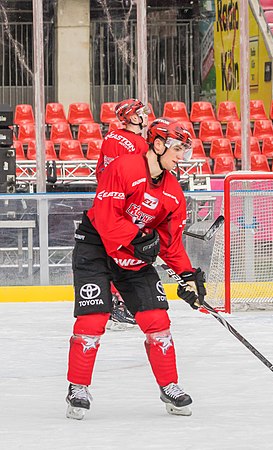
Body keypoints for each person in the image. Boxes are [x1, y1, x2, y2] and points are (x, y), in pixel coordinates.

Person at [66, 118, 205, 420]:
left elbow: (170, 244)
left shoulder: (173, 193)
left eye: (184, 150)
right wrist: (139, 238)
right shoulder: (124, 168)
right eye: (178, 148)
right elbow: (105, 218)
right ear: (157, 144)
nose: (182, 156)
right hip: (96, 248)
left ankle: (169, 385)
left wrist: (188, 276)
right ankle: (78, 387)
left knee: (157, 320)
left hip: (133, 256)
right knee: (93, 320)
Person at [96, 98, 152, 330]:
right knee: (122, 254)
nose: (147, 116)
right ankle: (117, 304)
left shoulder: (112, 137)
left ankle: (117, 303)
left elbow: (103, 172)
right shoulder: (138, 144)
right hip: (122, 206)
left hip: (112, 203)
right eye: (142, 112)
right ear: (131, 117)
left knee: (118, 253)